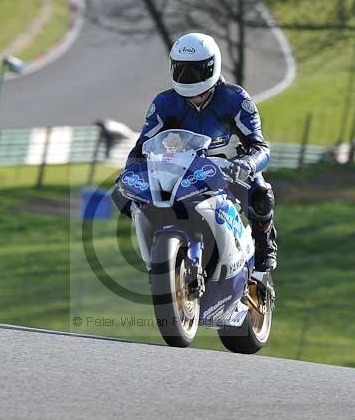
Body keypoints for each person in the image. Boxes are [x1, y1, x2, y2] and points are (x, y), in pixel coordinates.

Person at [113, 32, 277, 271]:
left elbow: (260, 147)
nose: (189, 80)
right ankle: (160, 249)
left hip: (230, 171)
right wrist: (129, 172)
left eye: (195, 71)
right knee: (121, 194)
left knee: (262, 195)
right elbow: (141, 148)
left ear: (212, 67)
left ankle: (264, 248)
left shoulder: (236, 99)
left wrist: (248, 164)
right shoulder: (164, 103)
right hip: (184, 175)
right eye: (181, 71)